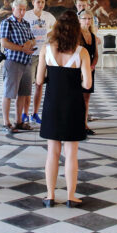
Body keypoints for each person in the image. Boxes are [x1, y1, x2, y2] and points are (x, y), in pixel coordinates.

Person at [38, 11, 93, 207]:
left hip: (52, 103)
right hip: (73, 104)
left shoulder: (46, 49)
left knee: (52, 151)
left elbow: (38, 80)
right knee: (71, 152)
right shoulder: (82, 52)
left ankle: (50, 195)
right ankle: (71, 196)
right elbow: (87, 84)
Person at [0, 0, 35, 136]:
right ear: (13, 9)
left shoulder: (26, 23)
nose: (22, 12)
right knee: (9, 93)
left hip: (26, 61)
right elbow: (4, 43)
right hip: (13, 61)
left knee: (24, 94)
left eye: (24, 9)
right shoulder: (7, 23)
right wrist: (21, 48)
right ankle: (6, 122)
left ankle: (19, 120)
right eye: (20, 9)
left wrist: (29, 44)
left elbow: (32, 39)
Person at [23, 0, 55, 125]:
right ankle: (24, 113)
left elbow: (57, 28)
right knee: (27, 87)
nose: (41, 5)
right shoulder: (27, 15)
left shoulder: (48, 16)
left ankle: (35, 113)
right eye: (38, 2)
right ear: (33, 3)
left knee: (39, 84)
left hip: (44, 54)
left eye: (42, 2)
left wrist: (48, 35)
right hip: (30, 54)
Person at [78, 8, 98, 135]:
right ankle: (75, 123)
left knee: (86, 97)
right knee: (77, 97)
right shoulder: (76, 35)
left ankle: (84, 124)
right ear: (79, 20)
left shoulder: (93, 36)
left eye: (89, 18)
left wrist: (91, 66)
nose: (87, 21)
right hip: (77, 70)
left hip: (89, 70)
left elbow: (95, 55)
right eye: (84, 18)